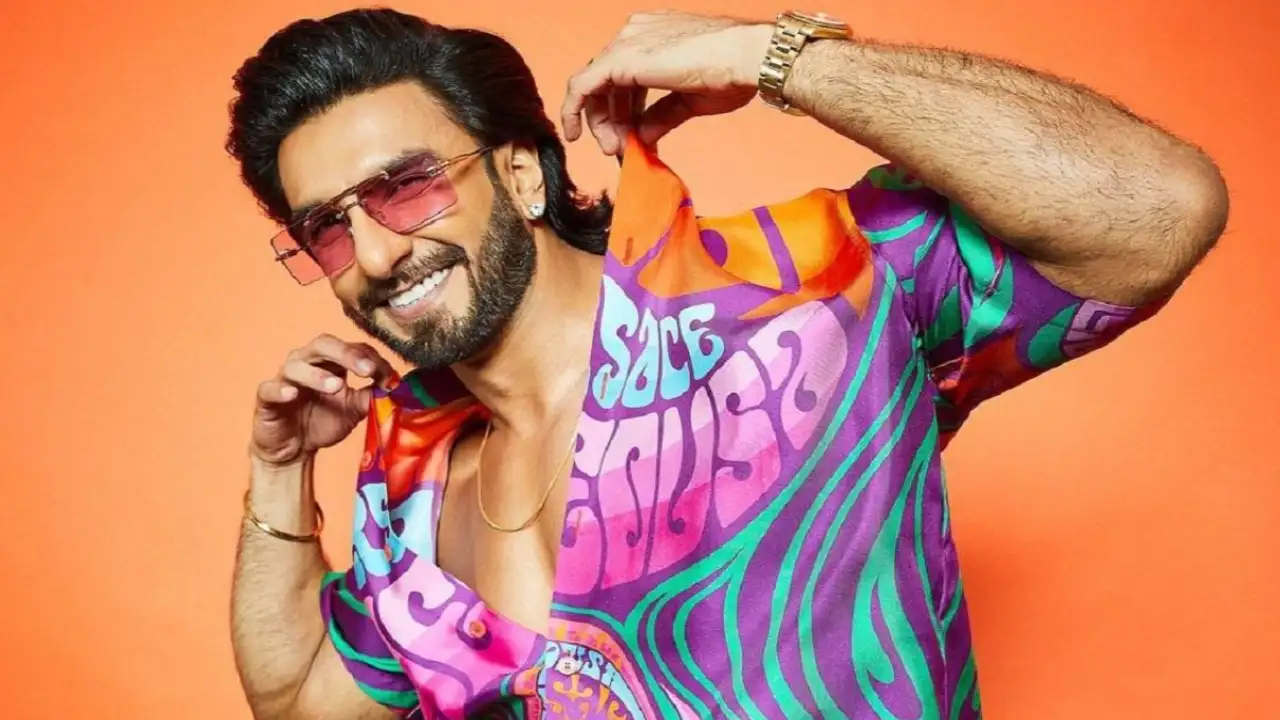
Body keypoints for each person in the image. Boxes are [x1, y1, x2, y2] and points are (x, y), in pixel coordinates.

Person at [225, 7, 1226, 720]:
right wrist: (279, 464)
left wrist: (779, 57)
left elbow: (1158, 208)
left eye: (405, 188)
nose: (374, 253)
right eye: (327, 229)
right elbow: (303, 700)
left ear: (521, 171)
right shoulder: (411, 466)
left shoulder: (810, 294)